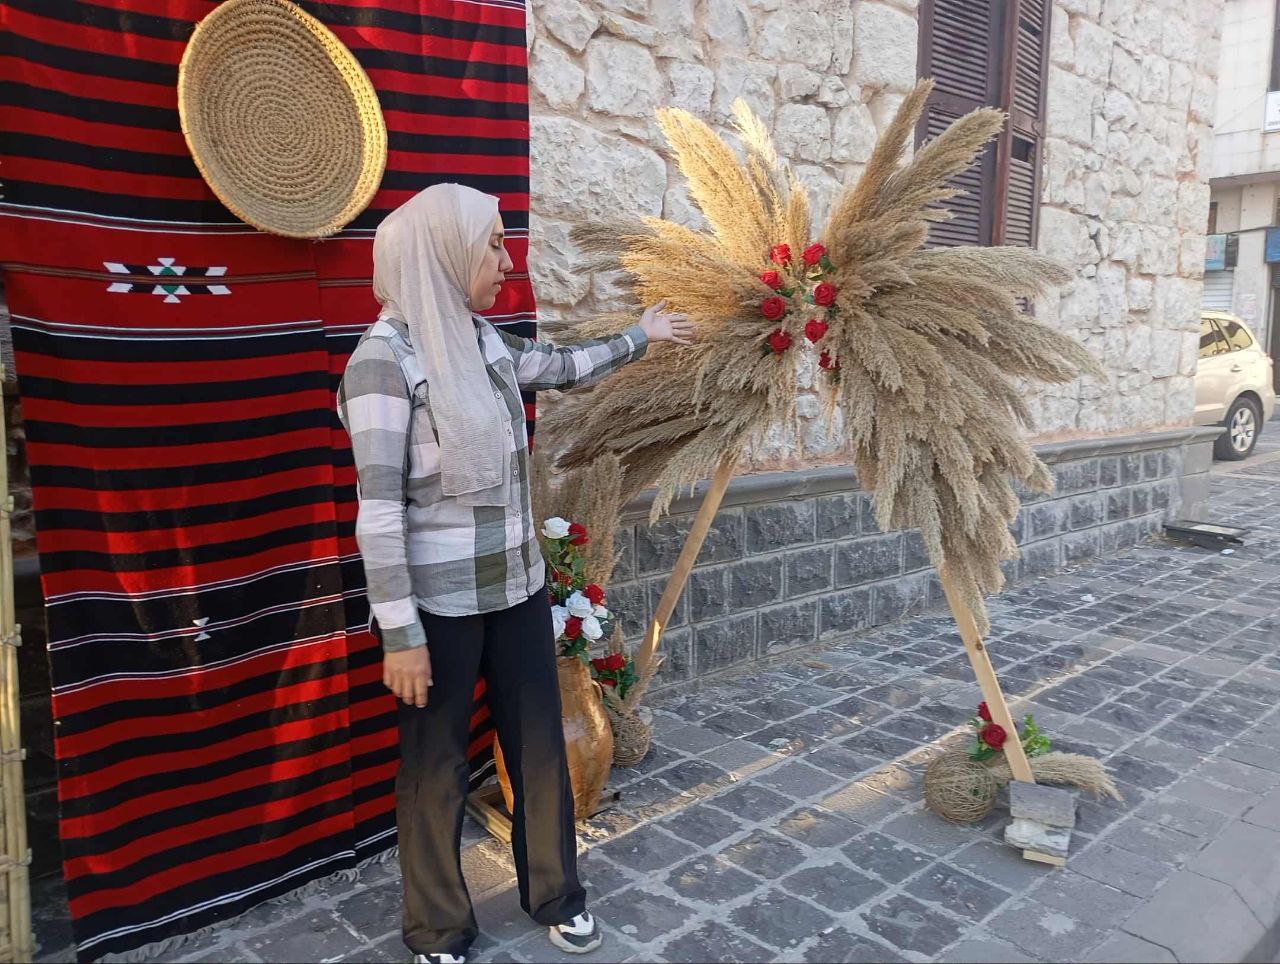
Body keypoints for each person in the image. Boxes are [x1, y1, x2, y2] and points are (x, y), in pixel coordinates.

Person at [337, 183, 693, 964]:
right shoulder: (382, 365)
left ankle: (556, 895)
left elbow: (560, 366)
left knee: (538, 747)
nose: (506, 262)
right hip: (437, 609)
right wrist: (400, 634)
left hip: (518, 588)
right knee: (434, 767)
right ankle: (438, 927)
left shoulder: (482, 341)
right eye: (492, 245)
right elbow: (380, 514)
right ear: (442, 254)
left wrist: (642, 335)